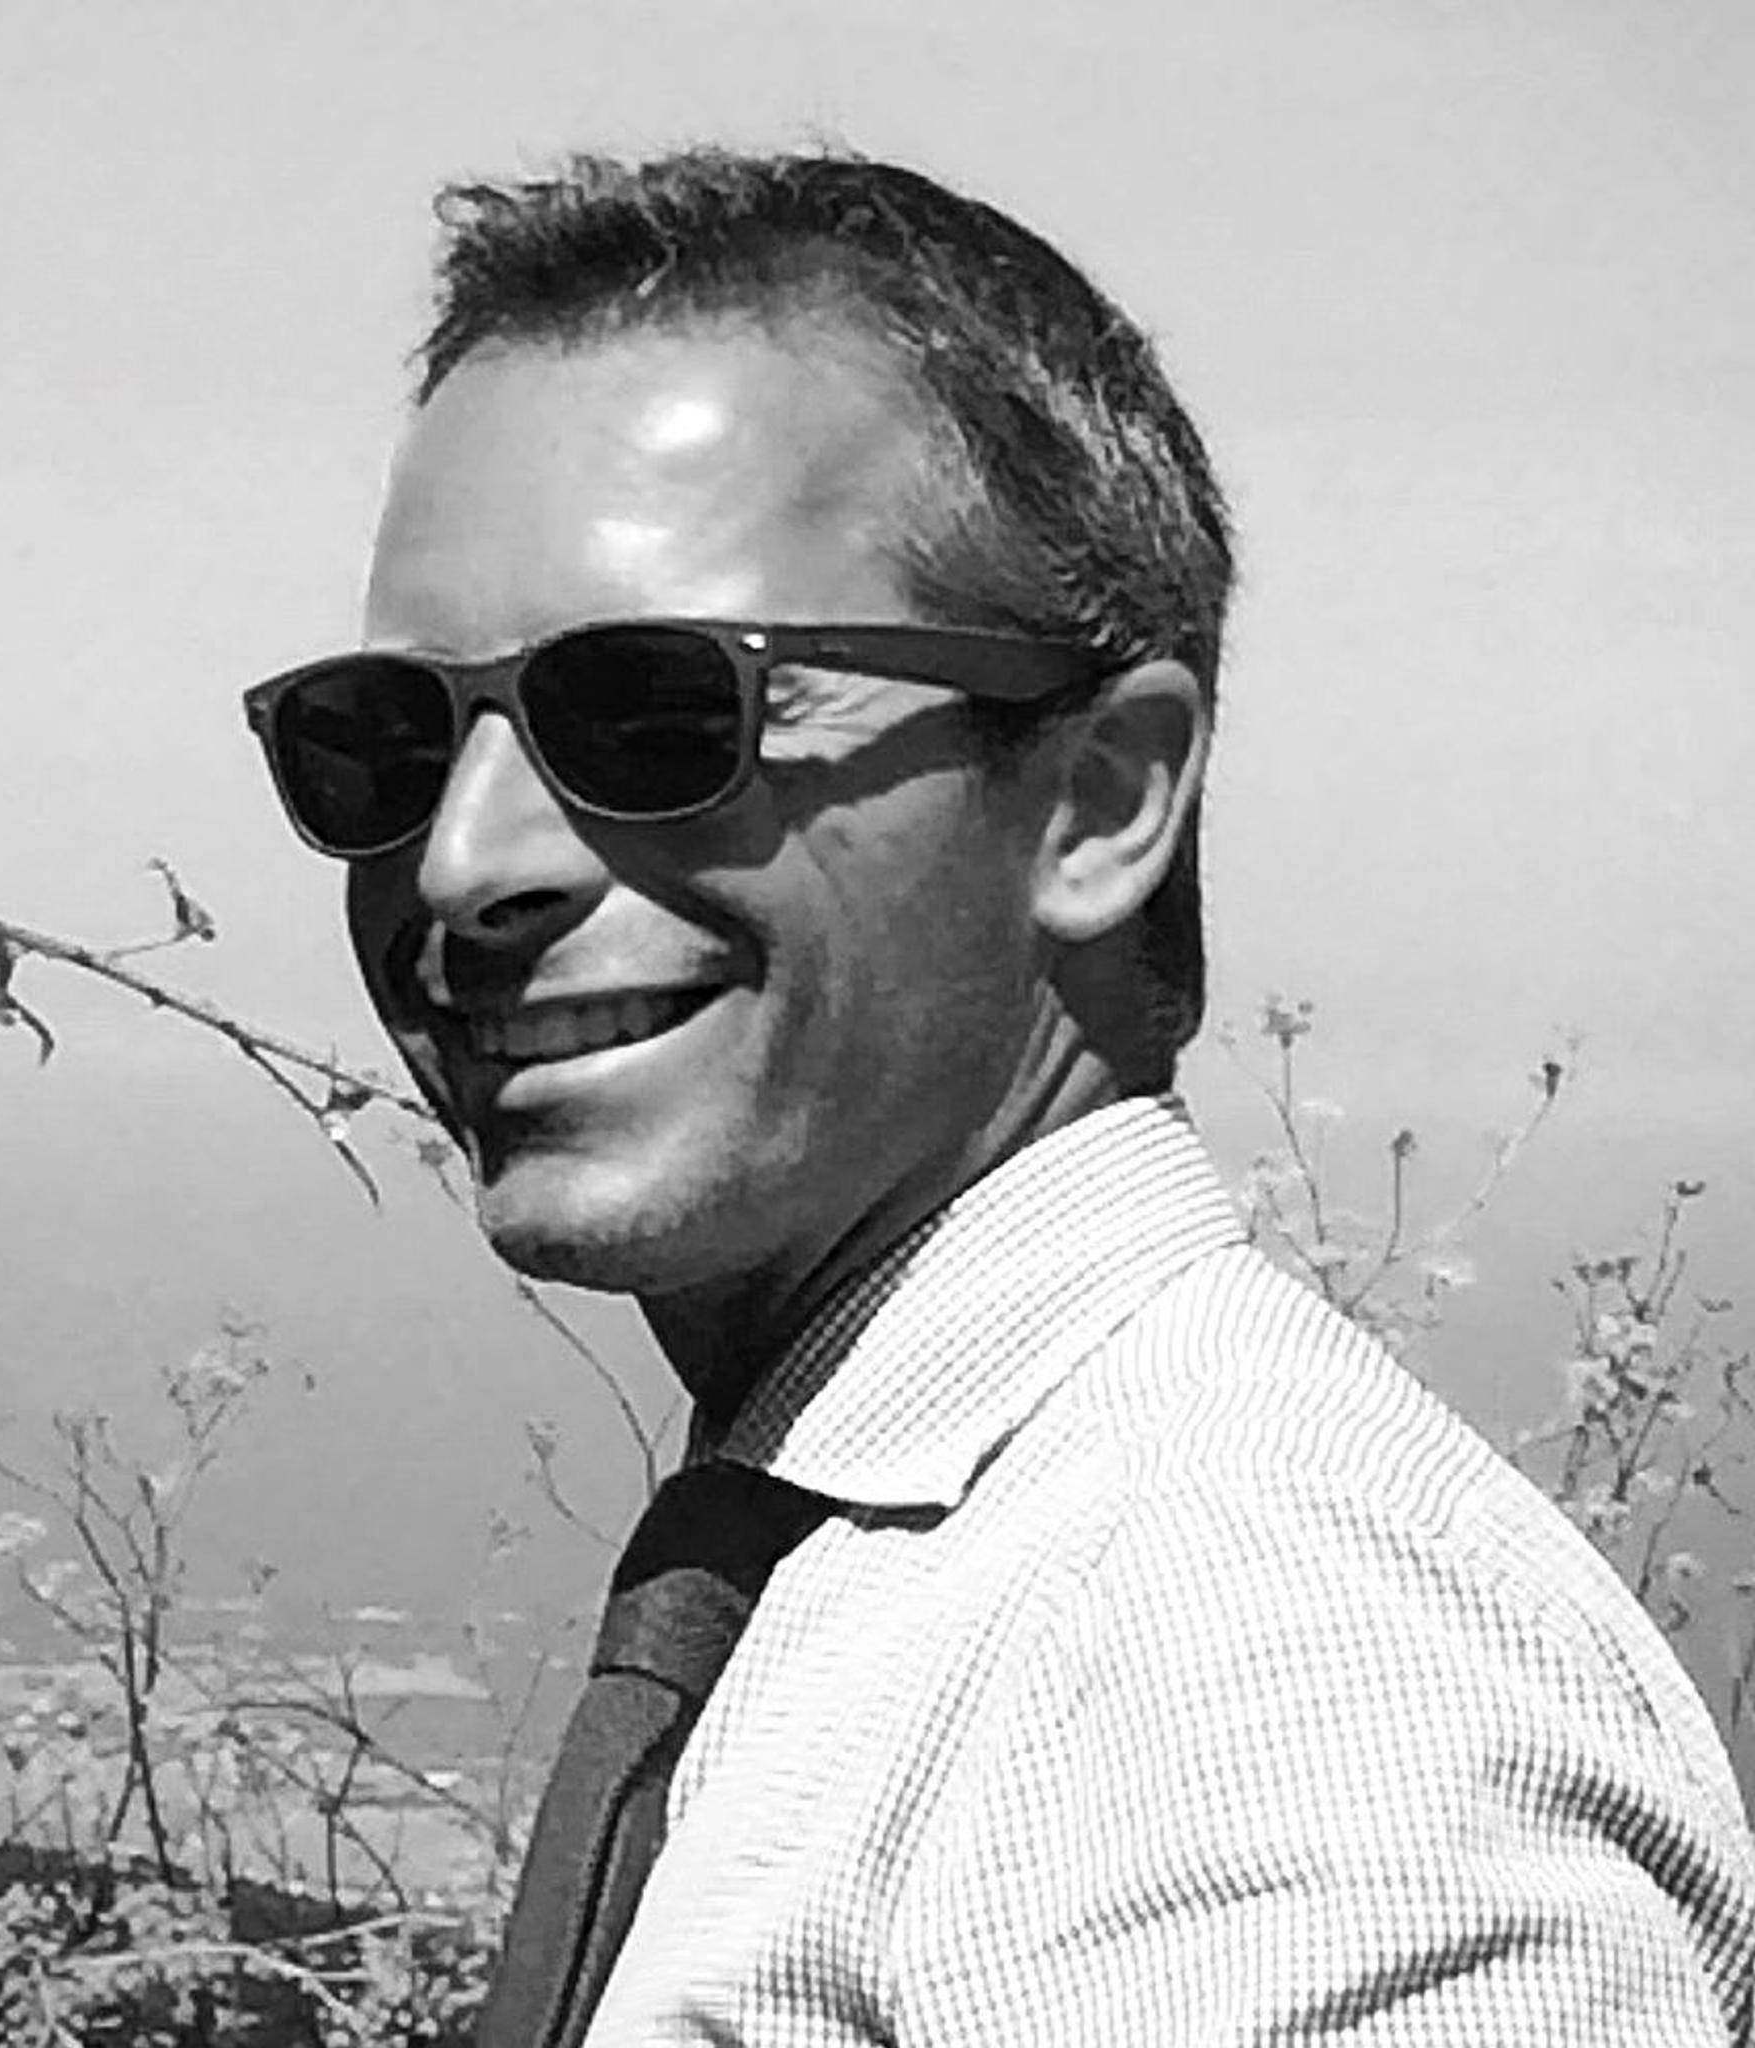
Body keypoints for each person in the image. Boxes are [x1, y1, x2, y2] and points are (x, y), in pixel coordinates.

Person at [246, 149, 1755, 2044]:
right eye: (381, 742)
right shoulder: (970, 1586)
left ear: (1102, 801)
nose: (466, 863)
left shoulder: (1247, 1663)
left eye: (655, 714)